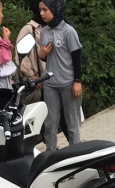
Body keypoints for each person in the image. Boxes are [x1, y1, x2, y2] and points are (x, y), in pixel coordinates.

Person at [38, 0, 83, 150]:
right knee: (50, 124)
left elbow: (77, 57)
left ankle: (76, 156)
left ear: (55, 9)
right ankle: (50, 157)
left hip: (68, 84)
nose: (42, 13)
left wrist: (77, 81)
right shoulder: (43, 31)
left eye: (45, 9)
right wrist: (41, 54)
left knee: (72, 124)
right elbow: (45, 56)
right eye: (40, 10)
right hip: (50, 84)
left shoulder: (68, 31)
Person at [14, 0, 46, 105]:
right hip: (37, 83)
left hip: (50, 81)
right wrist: (32, 76)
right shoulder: (29, 29)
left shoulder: (48, 27)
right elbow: (20, 57)